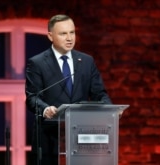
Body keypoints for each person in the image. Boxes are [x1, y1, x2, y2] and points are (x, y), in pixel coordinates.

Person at [25, 14, 112, 165]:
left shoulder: (86, 61)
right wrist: (46, 109)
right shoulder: (37, 63)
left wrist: (110, 110)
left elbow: (99, 93)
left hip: (83, 135)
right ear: (50, 36)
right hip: (50, 136)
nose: (69, 38)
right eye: (63, 33)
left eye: (72, 32)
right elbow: (32, 97)